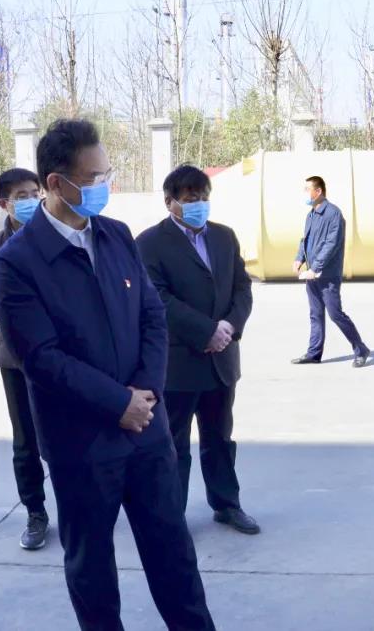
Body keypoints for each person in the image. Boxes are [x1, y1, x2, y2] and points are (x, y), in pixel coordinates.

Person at [0, 119, 215, 631]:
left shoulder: (116, 235)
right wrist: (119, 404)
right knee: (92, 570)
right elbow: (42, 358)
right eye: (93, 178)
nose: (103, 186)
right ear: (55, 183)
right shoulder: (18, 262)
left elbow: (152, 316)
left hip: (147, 433)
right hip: (82, 444)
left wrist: (146, 393)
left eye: (106, 175)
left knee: (175, 558)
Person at [137, 165, 260, 535]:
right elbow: (157, 298)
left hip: (222, 361)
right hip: (178, 364)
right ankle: (172, 516)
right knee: (173, 445)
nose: (199, 205)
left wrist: (229, 327)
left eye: (204, 198)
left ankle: (227, 504)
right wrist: (206, 331)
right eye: (191, 199)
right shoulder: (149, 243)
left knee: (220, 439)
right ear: (169, 202)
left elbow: (242, 287)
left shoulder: (224, 236)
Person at [0, 168, 50, 551]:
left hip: (64, 354)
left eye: (35, 193)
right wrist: (13, 305)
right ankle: (36, 512)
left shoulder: (57, 238)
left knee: (69, 435)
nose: (32, 200)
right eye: (22, 196)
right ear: (5, 203)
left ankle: (79, 506)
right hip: (16, 358)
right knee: (25, 442)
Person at [290, 175, 370, 367]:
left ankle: (361, 349)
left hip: (328, 276)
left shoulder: (334, 214)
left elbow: (331, 244)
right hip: (312, 275)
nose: (305, 193)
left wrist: (315, 267)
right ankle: (314, 353)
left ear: (318, 191)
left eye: (307, 189)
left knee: (335, 314)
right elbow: (305, 240)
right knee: (315, 314)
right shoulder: (310, 215)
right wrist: (299, 258)